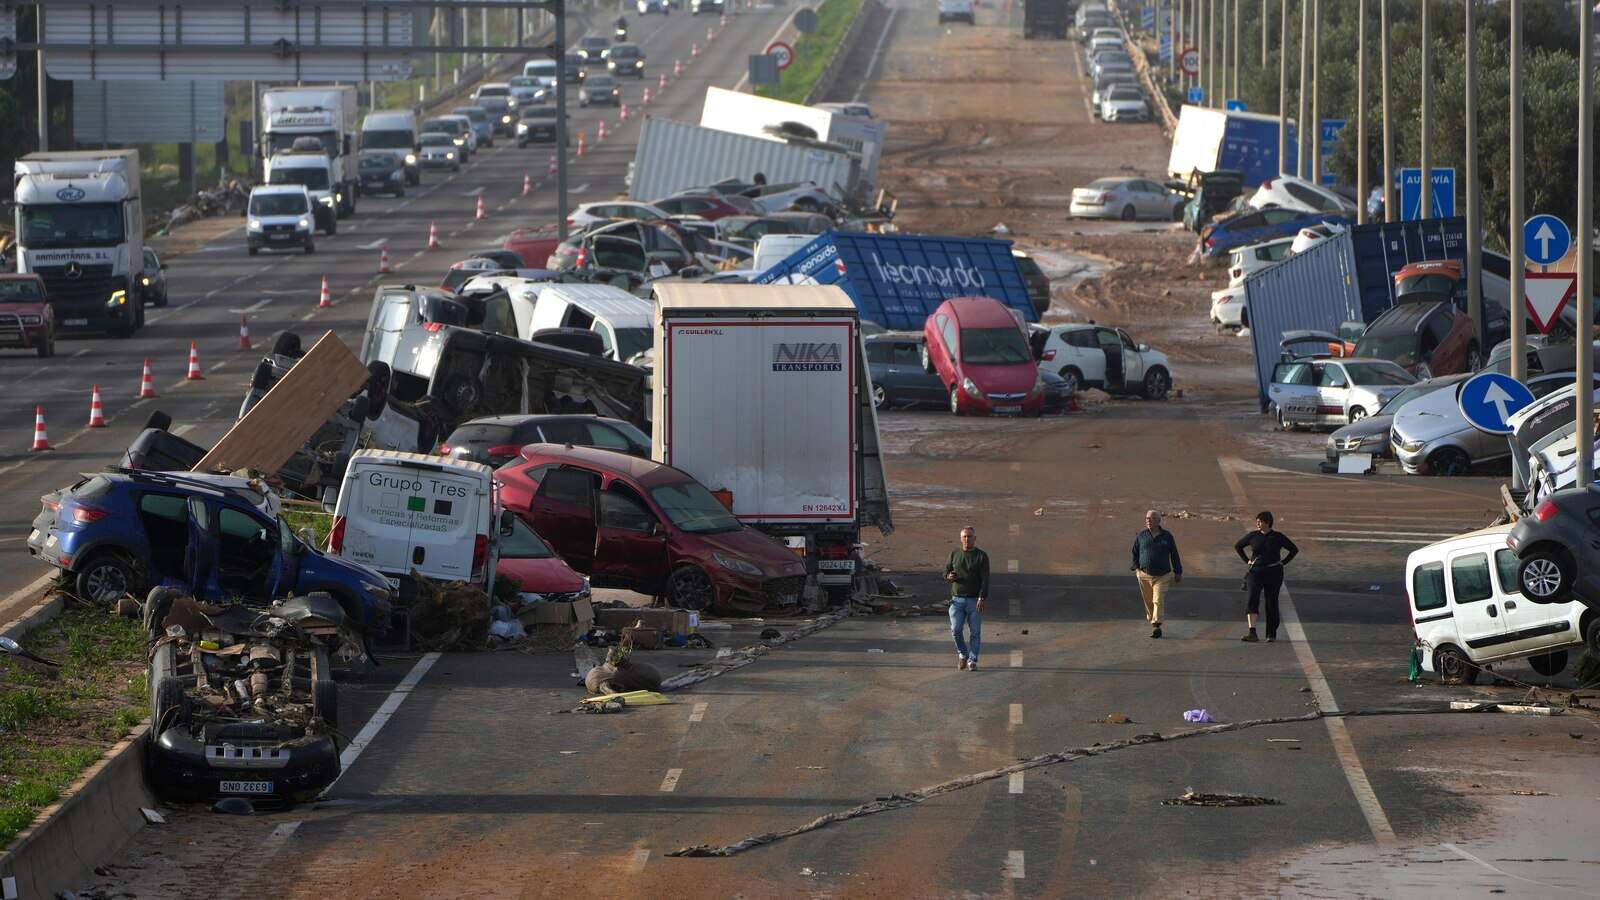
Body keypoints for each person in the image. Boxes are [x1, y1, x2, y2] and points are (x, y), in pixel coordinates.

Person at [1234, 511, 1299, 642]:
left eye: (1260, 521)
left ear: (1267, 522)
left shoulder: (1277, 537)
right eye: (1257, 521)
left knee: (1271, 602)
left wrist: (1283, 562)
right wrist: (1247, 560)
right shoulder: (1253, 536)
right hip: (1255, 572)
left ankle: (1271, 634)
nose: (1257, 523)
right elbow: (1238, 546)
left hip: (1274, 573)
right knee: (1252, 599)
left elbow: (1293, 549)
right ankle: (1252, 632)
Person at [944, 526, 989, 671]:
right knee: (956, 630)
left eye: (969, 536)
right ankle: (962, 654)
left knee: (975, 632)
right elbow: (946, 571)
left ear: (974, 539)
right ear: (960, 538)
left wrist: (982, 597)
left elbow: (985, 579)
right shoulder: (954, 553)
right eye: (964, 536)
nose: (967, 539)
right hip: (956, 600)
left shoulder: (981, 556)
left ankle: (972, 660)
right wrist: (948, 576)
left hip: (974, 600)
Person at [1131, 509, 1181, 639]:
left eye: (1151, 518)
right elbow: (1134, 552)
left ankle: (1156, 625)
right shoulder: (1141, 536)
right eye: (1147, 518)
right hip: (1144, 575)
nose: (1148, 520)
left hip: (1162, 576)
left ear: (1158, 521)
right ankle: (1152, 617)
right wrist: (1136, 568)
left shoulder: (1167, 536)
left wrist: (1178, 571)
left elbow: (1174, 554)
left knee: (1157, 600)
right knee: (1149, 601)